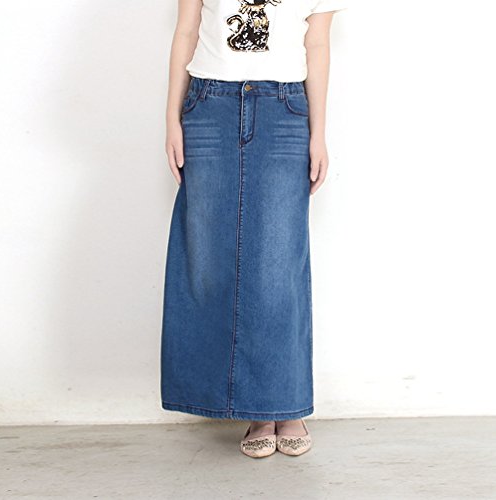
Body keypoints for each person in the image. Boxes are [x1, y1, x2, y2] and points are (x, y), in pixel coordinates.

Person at [160, 0, 347, 458]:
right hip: (209, 105)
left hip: (284, 109)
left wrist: (318, 133)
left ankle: (286, 405)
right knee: (207, 257)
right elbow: (186, 31)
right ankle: (258, 411)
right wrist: (171, 120)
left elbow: (317, 44)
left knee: (277, 264)